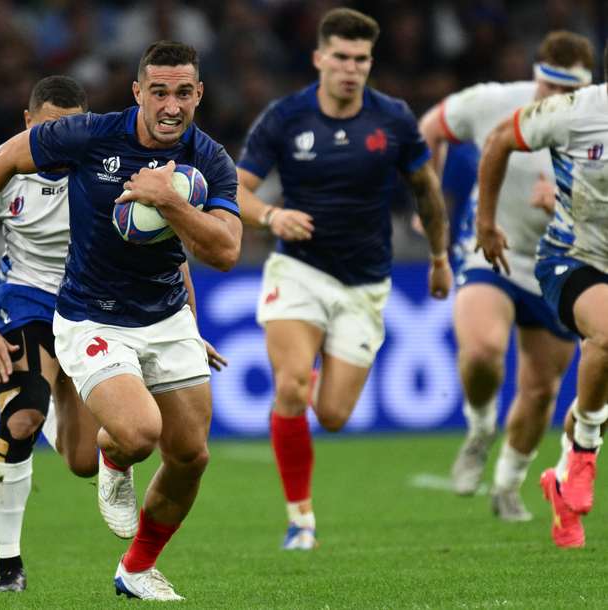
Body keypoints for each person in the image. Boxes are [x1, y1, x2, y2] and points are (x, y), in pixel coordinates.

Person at [0, 41, 241, 601]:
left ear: (199, 94)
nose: (170, 105)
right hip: (90, 315)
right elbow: (6, 157)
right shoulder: (91, 135)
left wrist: (172, 205)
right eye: (158, 91)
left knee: (191, 456)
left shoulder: (209, 160)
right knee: (138, 435)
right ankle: (100, 471)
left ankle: (135, 569)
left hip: (165, 316)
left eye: (183, 92)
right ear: (137, 92)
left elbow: (226, 251)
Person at [236, 7, 451, 550]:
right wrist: (269, 216)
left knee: (331, 414)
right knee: (289, 386)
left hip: (365, 283)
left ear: (369, 62)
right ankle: (300, 519)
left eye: (361, 59)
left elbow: (425, 187)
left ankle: (312, 380)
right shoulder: (285, 118)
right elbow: (234, 189)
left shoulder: (393, 119)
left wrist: (440, 256)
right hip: (299, 269)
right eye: (341, 57)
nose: (351, 68)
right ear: (319, 58)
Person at [418, 31, 593, 519]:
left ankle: (508, 483)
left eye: (567, 93)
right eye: (547, 88)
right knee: (481, 352)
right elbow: (429, 128)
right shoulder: (495, 101)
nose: (554, 100)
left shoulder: (595, 128)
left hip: (561, 267)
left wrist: (564, 206)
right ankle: (479, 428)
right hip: (491, 254)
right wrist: (425, 201)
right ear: (535, 76)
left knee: (540, 391)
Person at [0, 75, 100, 593]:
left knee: (83, 463)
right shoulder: (0, 168)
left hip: (91, 304)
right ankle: (8, 567)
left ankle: (39, 387)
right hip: (28, 300)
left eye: (71, 130)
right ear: (28, 124)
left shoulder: (105, 164)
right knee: (23, 418)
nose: (60, 142)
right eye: (49, 130)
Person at [476, 41, 608, 549]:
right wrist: (487, 223)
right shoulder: (571, 111)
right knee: (605, 335)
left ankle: (560, 478)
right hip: (571, 259)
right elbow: (497, 143)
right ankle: (584, 454)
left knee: (601, 384)